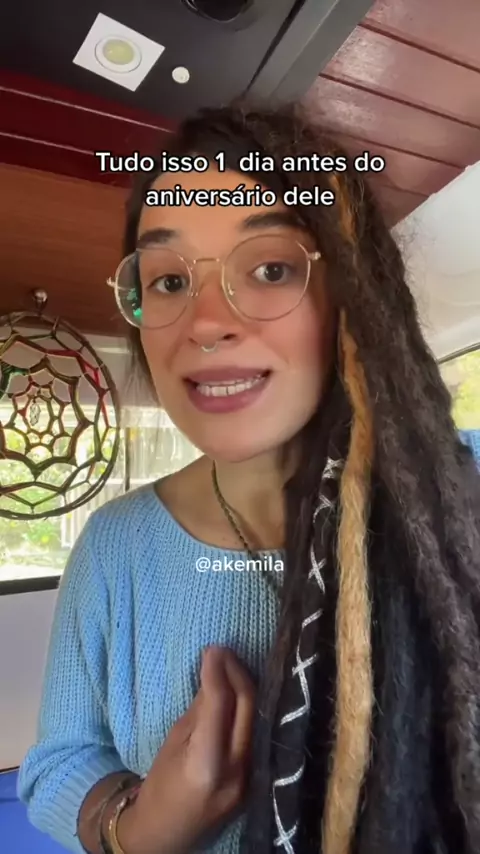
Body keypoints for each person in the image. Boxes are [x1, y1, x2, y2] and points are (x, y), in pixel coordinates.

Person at [18, 102, 480, 854]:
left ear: (352, 295)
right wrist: (140, 827)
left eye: (270, 269)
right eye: (169, 280)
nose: (205, 322)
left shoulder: (460, 507)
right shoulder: (114, 547)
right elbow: (59, 763)